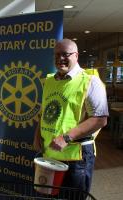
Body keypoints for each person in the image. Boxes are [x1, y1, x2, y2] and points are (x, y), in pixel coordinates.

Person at [33, 39, 108, 196]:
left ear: (76, 56)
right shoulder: (49, 81)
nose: (60, 58)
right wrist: (37, 136)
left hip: (76, 159)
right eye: (57, 55)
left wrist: (66, 138)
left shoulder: (90, 81)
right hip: (49, 154)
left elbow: (100, 119)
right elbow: (45, 112)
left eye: (65, 54)